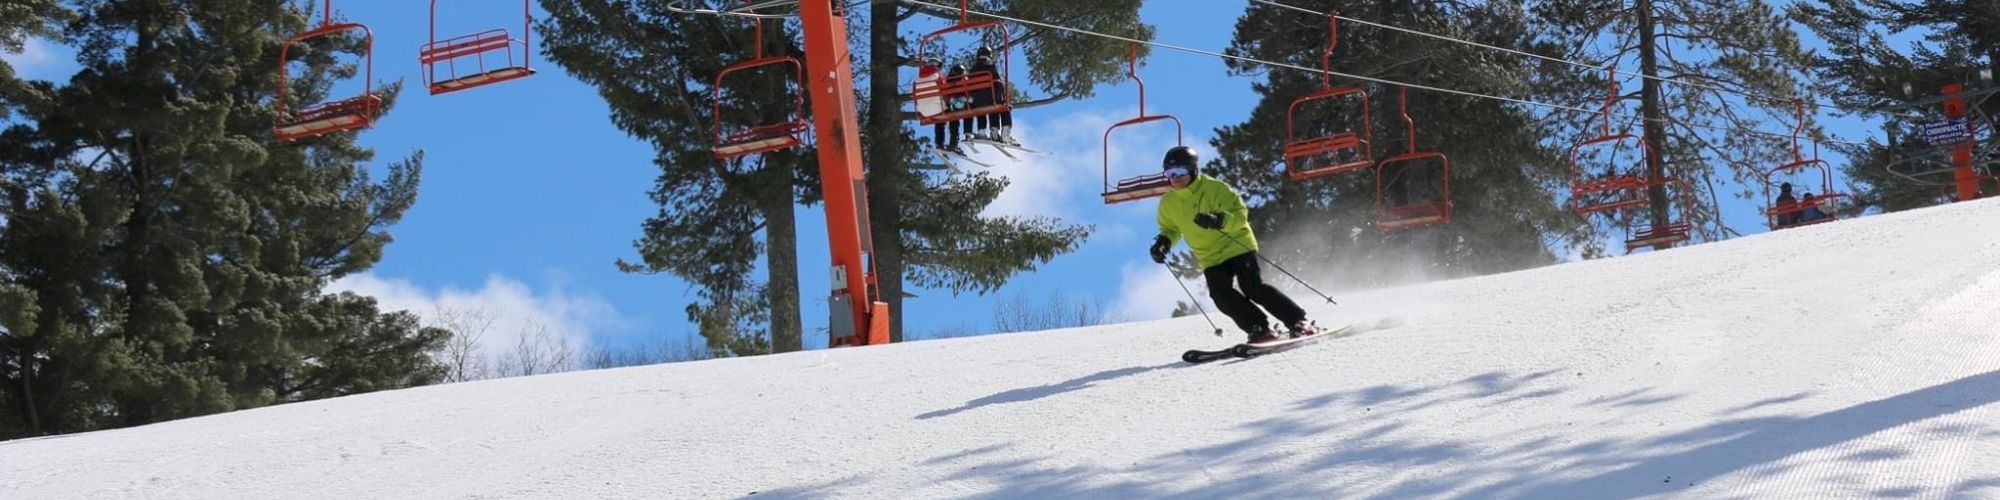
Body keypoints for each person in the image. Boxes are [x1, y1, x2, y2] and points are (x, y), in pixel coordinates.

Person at [1148, 146, 1317, 344]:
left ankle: (1298, 321)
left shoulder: (1216, 189)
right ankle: (1259, 328)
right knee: (1221, 296)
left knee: (1252, 288)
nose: (1175, 178)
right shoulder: (1168, 203)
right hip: (1210, 257)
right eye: (1170, 173)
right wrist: (1163, 242)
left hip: (1236, 246)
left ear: (1193, 170)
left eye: (1181, 172)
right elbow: (1171, 229)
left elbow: (1239, 213)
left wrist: (1218, 220)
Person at [969, 45, 1016, 145]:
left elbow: (969, 87)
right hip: (991, 100)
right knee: (1001, 105)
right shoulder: (990, 67)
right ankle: (1003, 133)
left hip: (977, 102)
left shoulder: (972, 70)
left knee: (985, 104)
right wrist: (1001, 95)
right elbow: (997, 83)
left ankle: (982, 131)